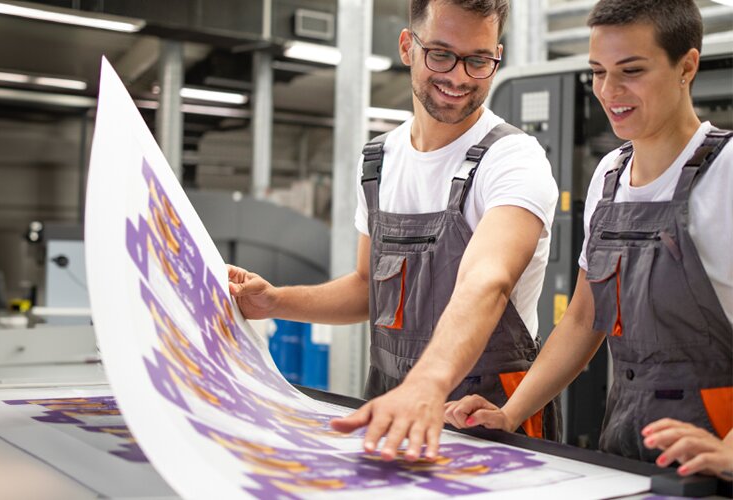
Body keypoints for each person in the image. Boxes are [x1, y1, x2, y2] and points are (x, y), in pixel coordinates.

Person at [228, 0, 561, 461]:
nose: (460, 77)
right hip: (391, 400)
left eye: (479, 60)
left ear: (496, 55)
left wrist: (427, 383)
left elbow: (488, 281)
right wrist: (276, 302)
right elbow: (369, 288)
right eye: (441, 54)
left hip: (488, 413)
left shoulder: (514, 159)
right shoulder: (379, 161)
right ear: (408, 46)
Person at [443, 0, 733, 481]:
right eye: (598, 71)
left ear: (687, 66)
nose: (609, 91)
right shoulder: (610, 175)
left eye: (631, 70)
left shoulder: (726, 173)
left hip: (716, 470)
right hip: (623, 456)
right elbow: (582, 319)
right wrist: (510, 414)